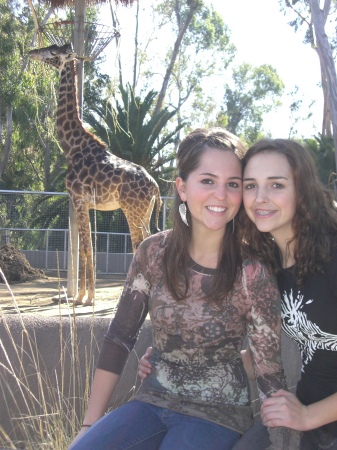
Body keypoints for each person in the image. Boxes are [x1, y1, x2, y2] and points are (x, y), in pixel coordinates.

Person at [69, 128, 291, 450]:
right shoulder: (152, 253)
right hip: (151, 402)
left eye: (232, 184)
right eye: (207, 180)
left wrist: (281, 437)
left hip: (218, 414)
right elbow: (119, 337)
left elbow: (269, 369)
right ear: (182, 188)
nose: (221, 194)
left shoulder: (251, 271)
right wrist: (90, 424)